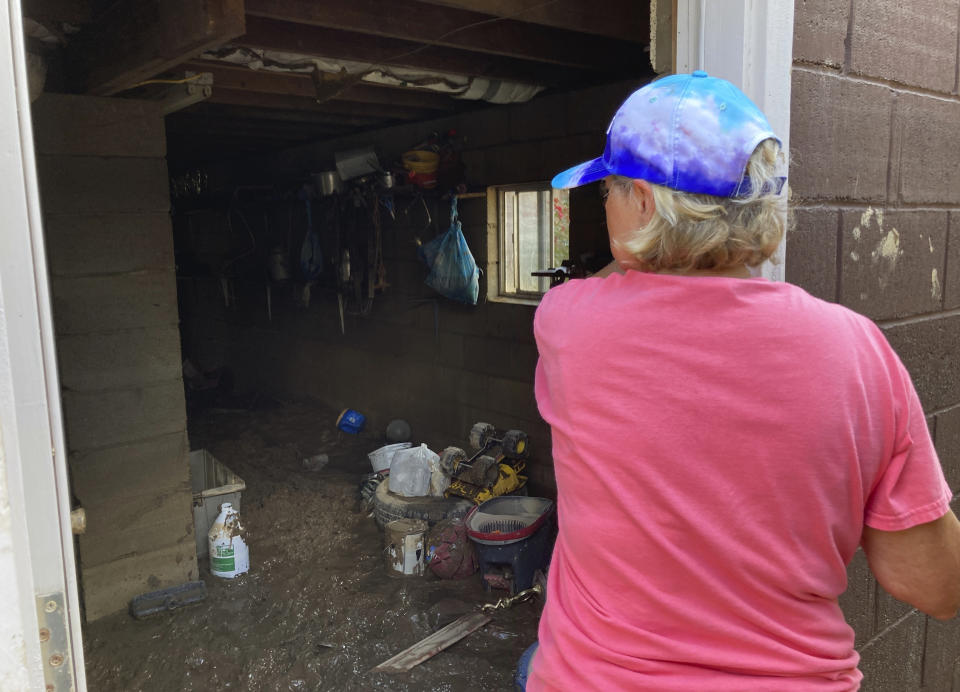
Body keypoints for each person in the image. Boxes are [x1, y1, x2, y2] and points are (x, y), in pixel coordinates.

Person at [524, 71, 960, 690]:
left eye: (609, 193)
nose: (605, 209)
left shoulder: (566, 323)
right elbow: (935, 588)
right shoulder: (859, 349)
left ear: (643, 202)